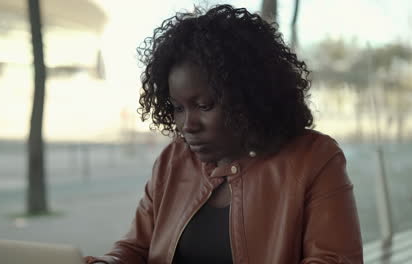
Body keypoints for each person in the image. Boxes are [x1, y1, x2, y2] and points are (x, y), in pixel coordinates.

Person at [85, 4, 363, 264]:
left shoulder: (314, 158)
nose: (187, 125)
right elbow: (136, 247)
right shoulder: (174, 159)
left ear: (249, 97)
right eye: (178, 108)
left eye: (204, 105)